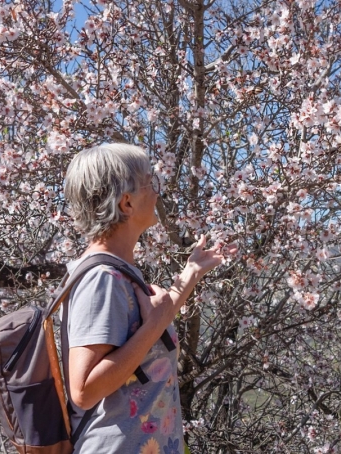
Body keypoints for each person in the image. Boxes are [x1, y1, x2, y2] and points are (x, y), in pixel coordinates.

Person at [62, 143, 234, 453]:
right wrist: (153, 326)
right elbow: (83, 390)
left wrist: (191, 273)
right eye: (149, 184)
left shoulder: (118, 270)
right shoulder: (102, 280)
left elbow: (151, 325)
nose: (157, 193)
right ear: (126, 202)